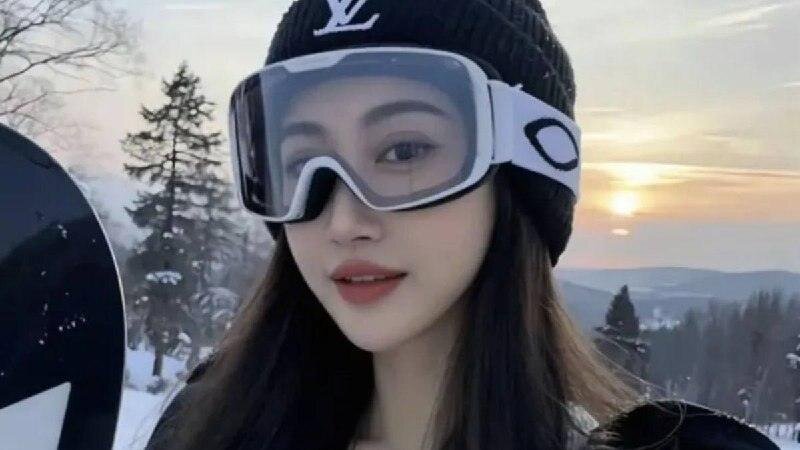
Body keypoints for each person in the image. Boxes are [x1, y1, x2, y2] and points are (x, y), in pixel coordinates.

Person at [145, 0, 778, 449]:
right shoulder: (204, 432)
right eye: (299, 163)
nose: (342, 221)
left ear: (522, 172)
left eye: (404, 151)